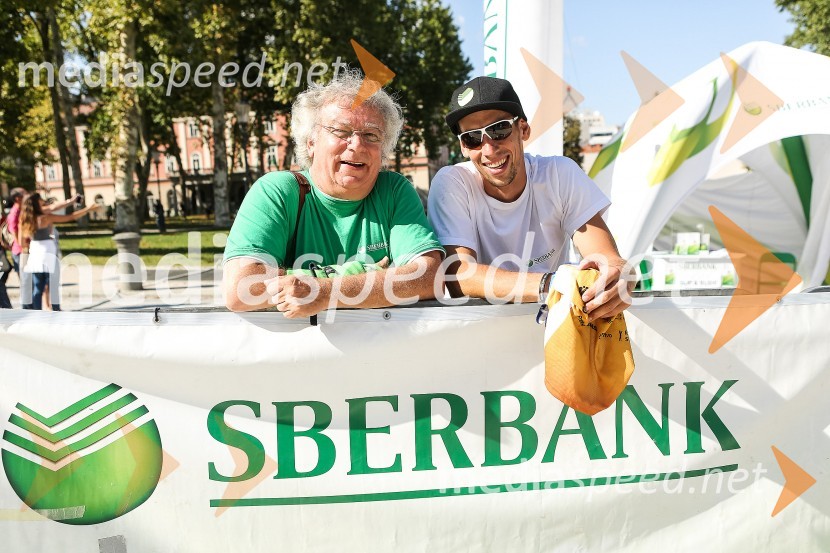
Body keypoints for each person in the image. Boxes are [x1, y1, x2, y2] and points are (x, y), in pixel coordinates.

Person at [223, 70, 444, 316]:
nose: (357, 145)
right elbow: (241, 288)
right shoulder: (277, 191)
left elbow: (429, 276)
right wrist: (365, 275)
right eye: (341, 131)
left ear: (383, 151)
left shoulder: (393, 191)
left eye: (371, 135)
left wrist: (324, 291)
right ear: (311, 142)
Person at [427, 76, 631, 320]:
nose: (489, 149)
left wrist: (619, 274)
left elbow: (606, 258)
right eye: (472, 137)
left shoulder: (560, 173)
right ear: (462, 146)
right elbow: (458, 275)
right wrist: (553, 283)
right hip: (482, 337)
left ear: (523, 129)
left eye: (499, 129)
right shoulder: (452, 182)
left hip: (553, 330)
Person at [17, 192, 100, 310]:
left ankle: (36, 313)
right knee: (53, 285)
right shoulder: (46, 217)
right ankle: (56, 310)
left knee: (38, 287)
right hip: (48, 252)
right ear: (37, 203)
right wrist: (87, 209)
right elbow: (70, 217)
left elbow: (21, 243)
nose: (43, 202)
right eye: (41, 200)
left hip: (35, 253)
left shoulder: (24, 219)